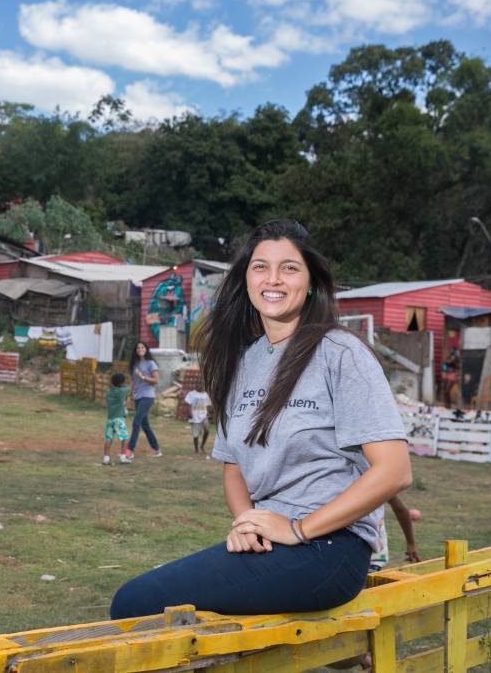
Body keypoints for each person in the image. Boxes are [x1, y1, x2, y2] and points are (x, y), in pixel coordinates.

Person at [111, 219, 411, 618]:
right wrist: (246, 523)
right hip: (272, 541)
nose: (273, 279)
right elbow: (233, 467)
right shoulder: (244, 363)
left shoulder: (340, 353)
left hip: (330, 547)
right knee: (142, 602)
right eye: (260, 267)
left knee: (135, 603)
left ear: (311, 282)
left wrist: (299, 529)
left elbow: (394, 471)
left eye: (289, 268)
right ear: (246, 279)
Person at [126, 341, 162, 458]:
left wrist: (142, 376)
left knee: (136, 422)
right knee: (145, 425)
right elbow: (134, 381)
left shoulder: (151, 363)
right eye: (138, 348)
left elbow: (156, 381)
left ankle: (130, 450)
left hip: (148, 396)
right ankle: (157, 449)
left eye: (142, 347)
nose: (140, 349)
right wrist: (130, 394)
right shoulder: (134, 364)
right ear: (135, 351)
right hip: (138, 396)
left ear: (146, 349)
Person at [369, 494, 421, 572]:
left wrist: (411, 543)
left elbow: (400, 509)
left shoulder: (378, 488)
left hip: (373, 555)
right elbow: (400, 509)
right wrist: (411, 543)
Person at [104, 373, 132, 465]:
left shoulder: (108, 392)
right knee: (125, 438)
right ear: (121, 383)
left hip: (110, 419)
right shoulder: (121, 392)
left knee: (109, 438)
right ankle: (123, 457)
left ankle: (106, 458)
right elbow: (130, 388)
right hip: (119, 419)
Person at [183, 381, 211, 455]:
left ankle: (202, 446)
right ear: (196, 385)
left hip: (204, 415)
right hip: (194, 416)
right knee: (196, 434)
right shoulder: (191, 394)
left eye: (202, 385)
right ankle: (196, 449)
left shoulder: (205, 395)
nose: (201, 386)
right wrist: (189, 413)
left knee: (207, 430)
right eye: (199, 384)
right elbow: (188, 404)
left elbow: (207, 405)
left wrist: (208, 413)